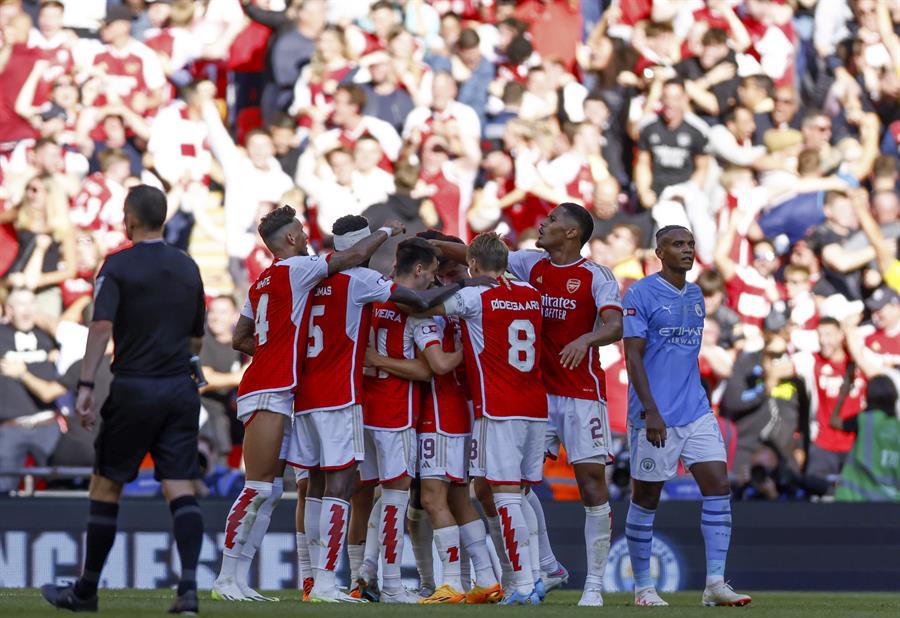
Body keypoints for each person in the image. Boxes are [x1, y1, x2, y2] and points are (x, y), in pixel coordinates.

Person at [212, 206, 404, 602]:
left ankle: (238, 579)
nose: (304, 235)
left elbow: (239, 337)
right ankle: (226, 578)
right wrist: (386, 231)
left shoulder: (263, 281)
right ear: (289, 240)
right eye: (299, 230)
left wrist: (277, 351)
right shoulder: (297, 268)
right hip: (271, 388)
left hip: (281, 388)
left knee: (269, 491)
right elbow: (350, 257)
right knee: (258, 487)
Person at [290, 217, 482, 603]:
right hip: (395, 415)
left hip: (355, 407)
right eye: (431, 273)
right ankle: (391, 583)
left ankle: (353, 578)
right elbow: (428, 368)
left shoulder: (333, 289)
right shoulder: (397, 303)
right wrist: (468, 285)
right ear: (418, 270)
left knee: (343, 493)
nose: (434, 281)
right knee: (392, 499)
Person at [40, 185, 208, 614]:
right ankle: (188, 590)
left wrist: (85, 385)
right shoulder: (189, 267)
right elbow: (196, 337)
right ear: (164, 219)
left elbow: (100, 328)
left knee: (107, 484)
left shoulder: (116, 265)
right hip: (180, 389)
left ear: (129, 219)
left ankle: (87, 591)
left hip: (135, 388)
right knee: (179, 486)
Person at [622, 225, 751, 607]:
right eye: (678, 244)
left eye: (691, 243)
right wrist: (651, 411)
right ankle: (643, 587)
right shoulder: (641, 293)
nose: (687, 250)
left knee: (718, 486)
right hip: (654, 414)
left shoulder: (696, 294)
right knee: (646, 498)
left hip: (695, 409)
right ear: (659, 251)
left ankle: (714, 583)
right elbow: (633, 357)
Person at [504, 203, 623, 607]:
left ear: (572, 233)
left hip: (581, 395)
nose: (544, 223)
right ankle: (549, 566)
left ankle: (593, 587)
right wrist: (433, 243)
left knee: (592, 485)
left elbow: (614, 325)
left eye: (553, 220)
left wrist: (586, 339)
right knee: (514, 484)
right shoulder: (528, 264)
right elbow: (484, 256)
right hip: (537, 395)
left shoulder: (596, 276)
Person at [426, 232, 548, 606]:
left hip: (498, 409)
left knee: (506, 499)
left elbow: (423, 306)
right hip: (535, 409)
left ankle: (524, 586)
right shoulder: (532, 295)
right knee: (520, 496)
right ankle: (532, 580)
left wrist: (462, 282)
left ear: (474, 264)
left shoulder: (473, 296)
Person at [0, 287, 67, 493]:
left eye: (30, 303)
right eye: (20, 304)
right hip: (10, 428)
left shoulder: (49, 337)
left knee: (58, 487)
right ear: (9, 310)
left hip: (48, 425)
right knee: (3, 490)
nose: (26, 310)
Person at [834, 374, 900, 502]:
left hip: (853, 498)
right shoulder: (897, 428)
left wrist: (842, 395)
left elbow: (834, 421)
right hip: (889, 502)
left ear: (868, 396)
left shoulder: (864, 420)